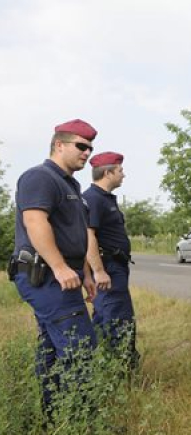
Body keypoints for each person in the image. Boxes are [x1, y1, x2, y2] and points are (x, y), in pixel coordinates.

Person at [9, 119, 102, 415]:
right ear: (59, 145)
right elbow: (35, 222)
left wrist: (85, 273)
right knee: (80, 348)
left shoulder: (69, 184)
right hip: (46, 275)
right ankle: (79, 418)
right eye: (81, 146)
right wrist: (60, 267)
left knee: (52, 347)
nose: (87, 153)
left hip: (65, 275)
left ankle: (53, 416)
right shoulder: (39, 177)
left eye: (90, 147)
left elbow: (77, 233)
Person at [83, 151, 140, 369]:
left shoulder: (104, 198)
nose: (123, 175)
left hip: (115, 267)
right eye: (120, 171)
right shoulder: (93, 199)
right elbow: (89, 235)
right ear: (107, 172)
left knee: (106, 318)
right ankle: (122, 370)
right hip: (108, 268)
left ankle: (104, 365)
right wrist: (98, 270)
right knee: (119, 320)